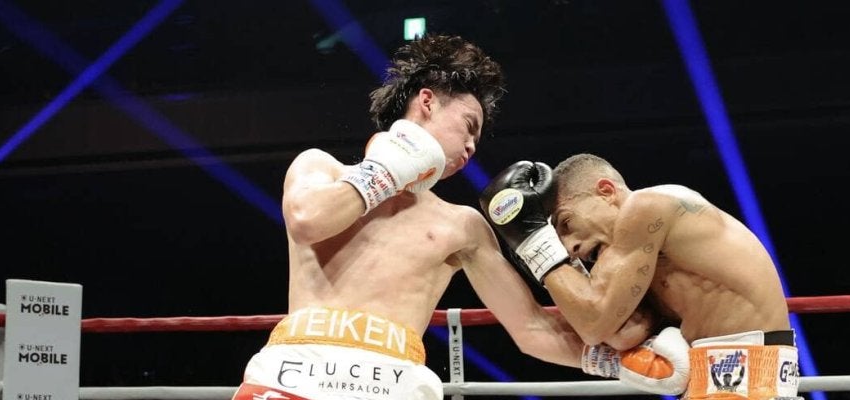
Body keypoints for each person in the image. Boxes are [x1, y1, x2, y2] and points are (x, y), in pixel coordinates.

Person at [230, 35, 640, 400]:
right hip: (294, 375)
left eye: (477, 138)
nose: (471, 146)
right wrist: (387, 170)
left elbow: (532, 329)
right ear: (426, 101)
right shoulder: (320, 167)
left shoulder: (461, 225)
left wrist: (626, 362)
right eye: (468, 126)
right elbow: (307, 221)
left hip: (390, 384)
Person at [479, 154, 802, 399]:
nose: (570, 247)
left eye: (566, 224)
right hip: (721, 379)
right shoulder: (634, 259)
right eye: (558, 239)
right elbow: (620, 334)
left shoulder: (649, 205)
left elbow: (593, 323)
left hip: (748, 378)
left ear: (606, 191)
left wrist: (535, 241)